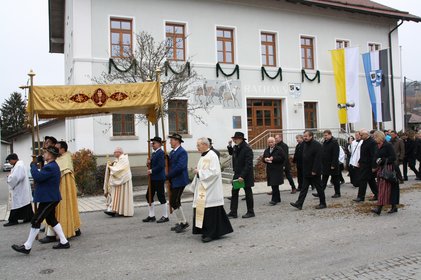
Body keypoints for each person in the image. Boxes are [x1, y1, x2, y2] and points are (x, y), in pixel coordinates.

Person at [12, 147, 70, 254]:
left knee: (36, 220)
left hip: (49, 199)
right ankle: (64, 242)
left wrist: (33, 165)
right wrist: (41, 163)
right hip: (50, 197)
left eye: (45, 153)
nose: (43, 155)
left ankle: (27, 246)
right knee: (51, 220)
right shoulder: (50, 166)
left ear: (50, 155)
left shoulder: (51, 167)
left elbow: (38, 177)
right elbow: (43, 175)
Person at [190, 138, 233, 242]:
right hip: (203, 188)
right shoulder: (204, 156)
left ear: (205, 145)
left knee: (210, 212)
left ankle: (210, 233)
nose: (197, 147)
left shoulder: (212, 155)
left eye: (198, 145)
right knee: (204, 210)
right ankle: (206, 231)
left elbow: (215, 172)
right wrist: (198, 172)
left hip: (210, 189)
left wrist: (199, 172)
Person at [39, 141, 82, 243]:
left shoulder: (65, 159)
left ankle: (56, 234)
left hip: (63, 190)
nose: (55, 150)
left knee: (60, 210)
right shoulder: (58, 159)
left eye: (57, 148)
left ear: (63, 149)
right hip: (56, 188)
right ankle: (54, 233)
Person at [290, 130, 326, 210]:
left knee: (319, 188)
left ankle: (323, 203)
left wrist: (314, 170)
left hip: (314, 171)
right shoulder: (304, 144)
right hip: (306, 170)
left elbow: (318, 159)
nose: (304, 138)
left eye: (306, 136)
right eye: (304, 136)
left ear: (311, 136)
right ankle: (299, 204)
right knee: (304, 188)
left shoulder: (317, 145)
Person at [227, 132, 255, 219]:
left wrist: (242, 176)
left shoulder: (247, 149)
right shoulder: (236, 147)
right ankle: (233, 212)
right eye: (234, 138)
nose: (234, 140)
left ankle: (250, 212)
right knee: (234, 192)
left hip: (245, 175)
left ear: (241, 139)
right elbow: (232, 153)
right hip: (237, 173)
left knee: (248, 193)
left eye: (236, 139)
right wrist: (229, 146)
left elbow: (248, 164)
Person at [371, 131, 398, 215]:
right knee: (385, 188)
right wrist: (374, 166)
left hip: (388, 168)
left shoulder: (388, 145)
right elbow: (375, 157)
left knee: (383, 188)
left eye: (375, 137)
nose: (374, 139)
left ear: (379, 137)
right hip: (381, 168)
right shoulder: (377, 146)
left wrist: (383, 160)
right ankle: (394, 206)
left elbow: (393, 157)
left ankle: (379, 208)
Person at [167, 133, 190, 233]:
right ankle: (181, 222)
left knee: (174, 201)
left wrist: (168, 175)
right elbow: (170, 164)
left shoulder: (182, 152)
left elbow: (180, 167)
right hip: (174, 180)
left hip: (180, 180)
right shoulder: (172, 152)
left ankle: (183, 222)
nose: (170, 142)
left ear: (177, 141)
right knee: (175, 201)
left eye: (172, 140)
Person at [143, 137, 169, 223]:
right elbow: (152, 164)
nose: (152, 145)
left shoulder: (161, 153)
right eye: (152, 143)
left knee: (161, 196)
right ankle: (151, 215)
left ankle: (165, 216)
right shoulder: (153, 154)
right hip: (153, 178)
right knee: (149, 195)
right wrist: (148, 163)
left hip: (159, 178)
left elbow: (161, 165)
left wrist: (151, 170)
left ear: (159, 144)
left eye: (153, 143)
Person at [4, 153, 33, 227]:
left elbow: (16, 178)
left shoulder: (19, 166)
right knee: (23, 203)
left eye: (9, 161)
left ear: (13, 160)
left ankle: (13, 220)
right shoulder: (18, 165)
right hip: (21, 188)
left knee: (17, 204)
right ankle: (28, 217)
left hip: (20, 189)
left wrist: (9, 176)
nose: (9, 163)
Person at [103, 147, 134, 217]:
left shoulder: (124, 159)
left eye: (115, 152)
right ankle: (115, 209)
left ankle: (119, 210)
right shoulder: (118, 159)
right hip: (119, 181)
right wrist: (111, 165)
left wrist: (110, 167)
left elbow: (119, 169)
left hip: (124, 181)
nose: (114, 153)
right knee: (117, 195)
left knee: (121, 195)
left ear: (119, 152)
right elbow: (116, 167)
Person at [354, 129, 378, 202]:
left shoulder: (372, 142)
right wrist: (359, 161)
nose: (360, 136)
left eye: (361, 135)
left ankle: (361, 197)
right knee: (371, 181)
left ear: (366, 134)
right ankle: (377, 194)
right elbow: (363, 153)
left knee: (362, 180)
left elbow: (374, 155)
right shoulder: (364, 141)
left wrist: (374, 166)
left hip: (368, 165)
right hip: (363, 164)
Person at [262, 137, 285, 205]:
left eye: (272, 142)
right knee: (274, 185)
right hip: (270, 169)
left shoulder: (279, 149)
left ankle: (274, 200)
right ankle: (278, 198)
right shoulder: (266, 150)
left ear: (275, 142)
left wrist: (274, 158)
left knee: (274, 184)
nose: (271, 143)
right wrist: (265, 159)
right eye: (269, 142)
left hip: (277, 169)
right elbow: (263, 158)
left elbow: (283, 158)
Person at [318, 130, 341, 198]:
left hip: (332, 164)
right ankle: (320, 192)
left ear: (330, 135)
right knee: (324, 179)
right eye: (324, 135)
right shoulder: (325, 142)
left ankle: (337, 193)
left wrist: (333, 165)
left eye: (326, 135)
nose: (325, 137)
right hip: (325, 164)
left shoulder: (334, 142)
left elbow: (335, 155)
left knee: (335, 179)